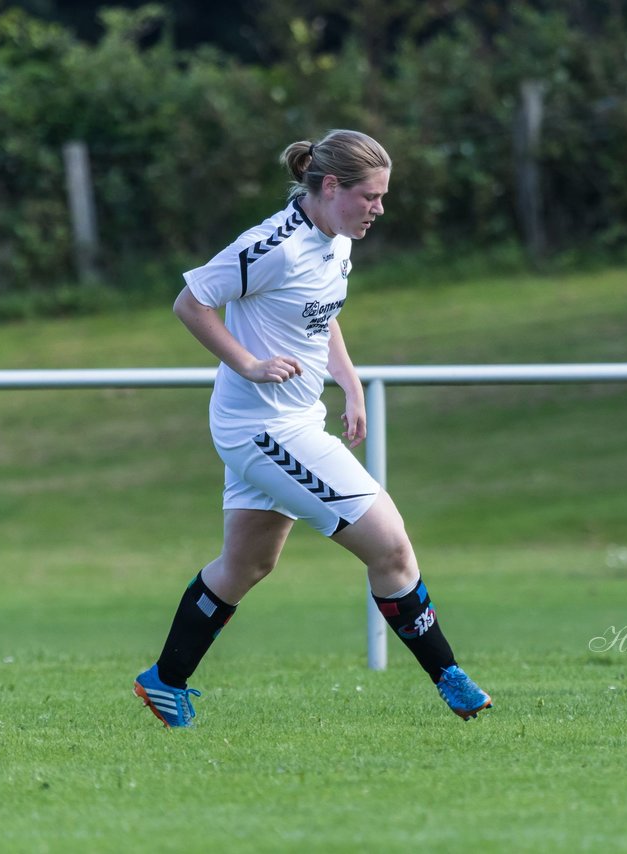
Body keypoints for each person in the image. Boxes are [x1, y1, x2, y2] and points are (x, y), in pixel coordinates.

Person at [132, 129, 491, 727]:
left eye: (382, 196)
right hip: (263, 428)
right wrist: (248, 364)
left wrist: (348, 383)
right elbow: (190, 303)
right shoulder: (274, 245)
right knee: (392, 546)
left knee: (245, 565)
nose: (379, 208)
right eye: (371, 197)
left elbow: (323, 317)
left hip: (293, 419)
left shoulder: (337, 238)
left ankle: (164, 681)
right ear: (330, 186)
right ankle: (448, 676)